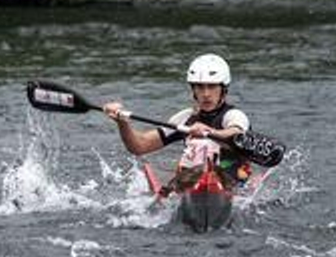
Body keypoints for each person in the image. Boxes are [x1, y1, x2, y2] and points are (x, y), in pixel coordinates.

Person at [104, 53, 251, 190]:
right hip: (193, 184)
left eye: (212, 86)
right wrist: (122, 123)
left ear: (223, 89)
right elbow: (140, 146)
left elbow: (236, 134)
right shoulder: (185, 118)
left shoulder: (235, 116)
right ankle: (187, 187)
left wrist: (209, 132)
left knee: (205, 146)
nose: (206, 94)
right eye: (200, 87)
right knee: (195, 158)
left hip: (231, 183)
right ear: (193, 90)